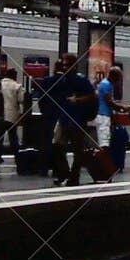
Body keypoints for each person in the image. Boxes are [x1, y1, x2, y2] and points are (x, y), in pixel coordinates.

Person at [49, 54, 98, 186]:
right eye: (64, 65)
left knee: (77, 150)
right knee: (57, 145)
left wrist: (77, 100)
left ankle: (73, 177)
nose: (65, 67)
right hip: (64, 118)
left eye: (67, 65)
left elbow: (92, 96)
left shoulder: (81, 80)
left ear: (74, 65)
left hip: (77, 119)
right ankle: (65, 174)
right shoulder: (63, 80)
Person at [0, 63, 27, 161]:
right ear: (14, 75)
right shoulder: (17, 86)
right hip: (12, 115)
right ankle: (17, 157)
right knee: (13, 137)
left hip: (0, 115)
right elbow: (22, 100)